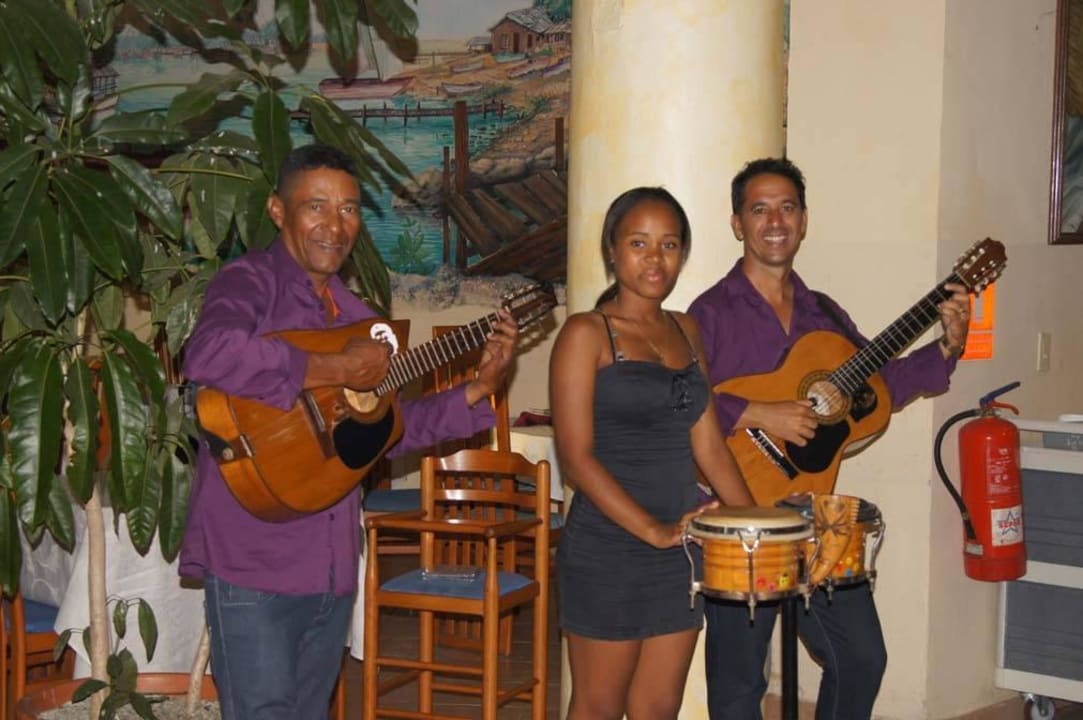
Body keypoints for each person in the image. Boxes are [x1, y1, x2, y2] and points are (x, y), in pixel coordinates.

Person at [180, 143, 519, 720]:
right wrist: (331, 368)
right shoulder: (248, 283)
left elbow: (389, 430)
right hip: (252, 552)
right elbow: (206, 355)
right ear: (278, 211)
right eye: (316, 207)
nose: (335, 226)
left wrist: (479, 391)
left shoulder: (362, 319)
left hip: (331, 560)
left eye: (350, 210)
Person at [687, 157, 971, 719]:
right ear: (737, 223)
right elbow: (680, 403)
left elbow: (879, 385)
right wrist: (758, 412)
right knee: (740, 680)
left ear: (805, 220)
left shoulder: (825, 314)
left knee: (861, 656)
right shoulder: (709, 314)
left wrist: (947, 348)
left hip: (815, 513)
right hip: (735, 517)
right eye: (759, 208)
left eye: (787, 207)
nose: (775, 221)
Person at [550, 187, 755, 719]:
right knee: (598, 706)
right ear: (612, 251)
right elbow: (576, 459)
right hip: (609, 547)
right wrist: (653, 530)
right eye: (638, 243)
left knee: (657, 708)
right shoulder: (585, 333)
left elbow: (708, 444)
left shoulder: (686, 328)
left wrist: (761, 525)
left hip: (680, 549)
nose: (654, 258)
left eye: (668, 245)